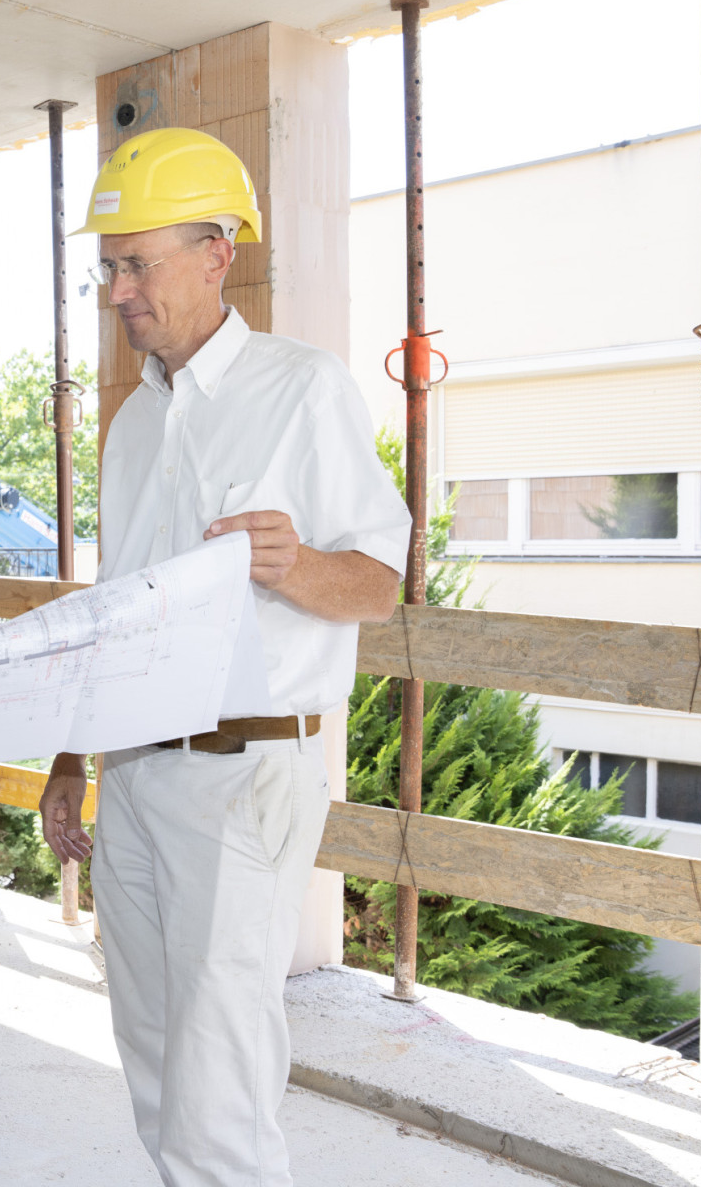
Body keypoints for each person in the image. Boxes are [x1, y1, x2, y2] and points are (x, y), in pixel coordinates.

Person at [37, 128, 410, 1187]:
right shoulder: (131, 424)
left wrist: (296, 565)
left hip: (245, 778)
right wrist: (71, 756)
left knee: (221, 1085)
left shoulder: (304, 389)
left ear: (217, 254)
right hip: (136, 773)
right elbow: (114, 611)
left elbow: (378, 583)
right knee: (156, 1067)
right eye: (107, 267)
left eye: (136, 263)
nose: (118, 291)